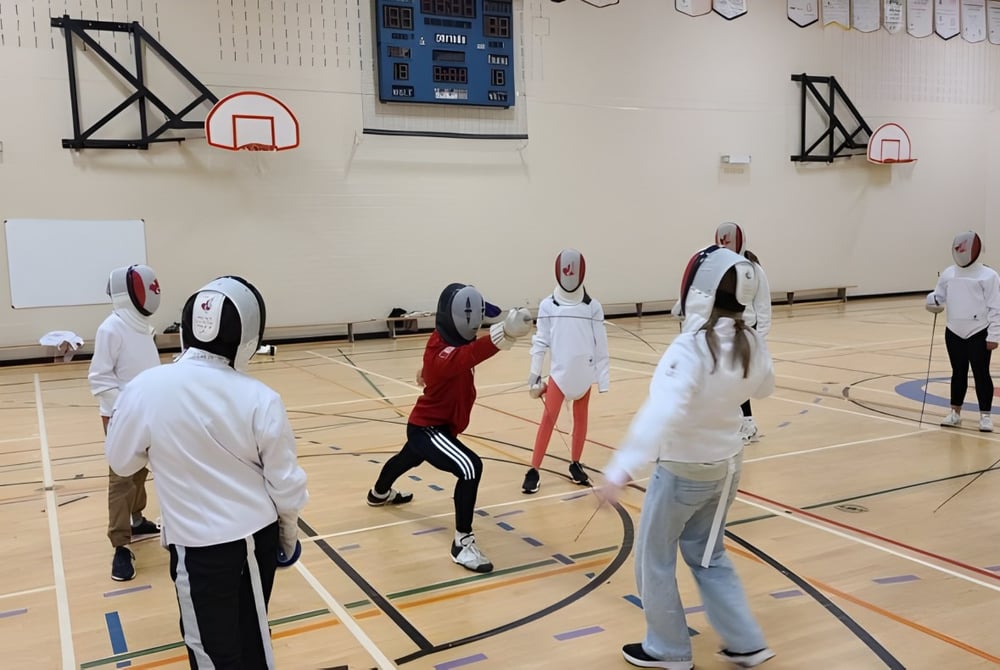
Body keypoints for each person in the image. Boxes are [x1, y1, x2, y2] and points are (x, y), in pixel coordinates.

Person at [106, 276, 308, 669]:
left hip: (198, 550)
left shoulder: (145, 388)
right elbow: (285, 484)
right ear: (248, 335)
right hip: (259, 540)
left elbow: (121, 462)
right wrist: (287, 537)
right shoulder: (261, 397)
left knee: (213, 656)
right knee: (254, 641)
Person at [599, 245, 777, 670]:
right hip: (727, 470)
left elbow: (662, 411)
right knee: (708, 555)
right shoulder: (750, 341)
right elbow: (765, 388)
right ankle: (746, 643)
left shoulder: (691, 347)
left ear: (698, 290)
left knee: (654, 558)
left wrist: (621, 468)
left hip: (681, 474)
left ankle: (668, 649)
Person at [366, 283, 533, 573]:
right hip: (429, 429)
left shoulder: (444, 340)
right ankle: (462, 543)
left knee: (408, 458)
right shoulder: (443, 355)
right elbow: (470, 355)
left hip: (429, 426)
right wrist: (504, 332)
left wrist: (507, 324)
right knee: (470, 467)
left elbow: (474, 335)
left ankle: (379, 493)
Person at [88, 264, 163, 581]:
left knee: (141, 470)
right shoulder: (111, 328)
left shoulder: (143, 326)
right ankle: (120, 546)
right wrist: (128, 410)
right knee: (121, 478)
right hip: (121, 417)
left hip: (148, 413)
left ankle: (136, 519)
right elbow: (100, 380)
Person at [522, 248, 610, 494]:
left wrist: (602, 379)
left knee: (581, 420)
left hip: (584, 372)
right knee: (548, 420)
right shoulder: (548, 305)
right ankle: (534, 469)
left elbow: (601, 344)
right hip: (559, 375)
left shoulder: (593, 307)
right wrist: (534, 372)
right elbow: (541, 341)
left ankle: (575, 463)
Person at [926, 231, 1000, 432]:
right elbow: (939, 297)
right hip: (954, 331)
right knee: (958, 372)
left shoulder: (989, 275)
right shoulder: (949, 273)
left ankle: (985, 416)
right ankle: (955, 413)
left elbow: (996, 307)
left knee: (981, 373)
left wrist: (994, 335)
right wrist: (932, 300)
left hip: (979, 331)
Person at [715, 222, 771, 443]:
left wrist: (760, 339)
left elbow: (763, 306)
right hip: (722, 330)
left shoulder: (754, 270)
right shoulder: (718, 269)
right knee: (724, 379)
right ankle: (734, 422)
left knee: (738, 379)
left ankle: (748, 424)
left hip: (746, 331)